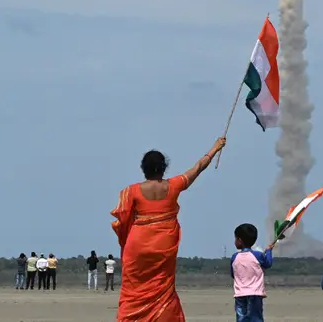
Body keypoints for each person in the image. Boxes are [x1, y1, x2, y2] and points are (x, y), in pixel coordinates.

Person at [111, 137, 226, 321]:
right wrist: (215, 148)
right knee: (162, 285)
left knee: (134, 287)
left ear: (143, 168)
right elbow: (198, 167)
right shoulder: (173, 185)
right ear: (164, 167)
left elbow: (122, 219)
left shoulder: (131, 191)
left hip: (138, 244)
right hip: (164, 243)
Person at [230, 224, 274, 322]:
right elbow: (268, 263)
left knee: (241, 318)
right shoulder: (258, 256)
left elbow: (233, 274)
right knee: (255, 318)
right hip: (255, 294)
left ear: (239, 240)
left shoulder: (234, 257)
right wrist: (269, 251)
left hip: (240, 294)